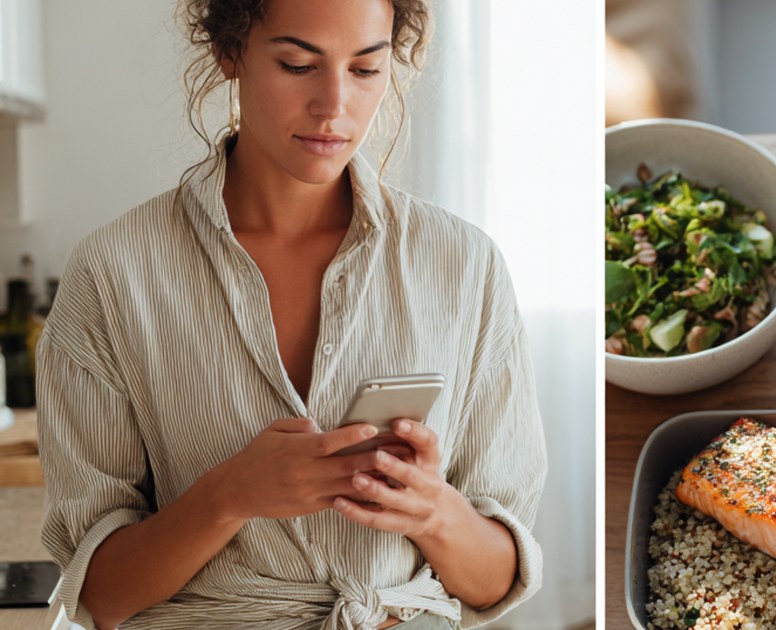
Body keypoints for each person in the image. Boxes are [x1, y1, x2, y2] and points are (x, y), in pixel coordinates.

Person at [36, 1, 547, 628]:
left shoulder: (465, 265)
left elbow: (495, 584)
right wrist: (228, 497)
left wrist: (434, 512)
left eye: (365, 69)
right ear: (231, 53)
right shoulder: (113, 273)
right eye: (298, 64)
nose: (334, 106)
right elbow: (98, 597)